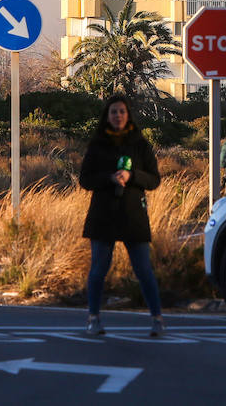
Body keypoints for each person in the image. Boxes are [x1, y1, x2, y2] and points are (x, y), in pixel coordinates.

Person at [79, 95, 166, 337]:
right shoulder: (97, 145)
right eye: (113, 112)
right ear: (107, 116)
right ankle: (93, 318)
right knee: (98, 269)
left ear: (128, 115)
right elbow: (85, 179)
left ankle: (157, 319)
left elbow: (154, 179)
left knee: (143, 269)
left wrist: (133, 177)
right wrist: (109, 178)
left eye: (122, 111)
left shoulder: (140, 145)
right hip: (103, 215)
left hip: (132, 215)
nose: (118, 115)